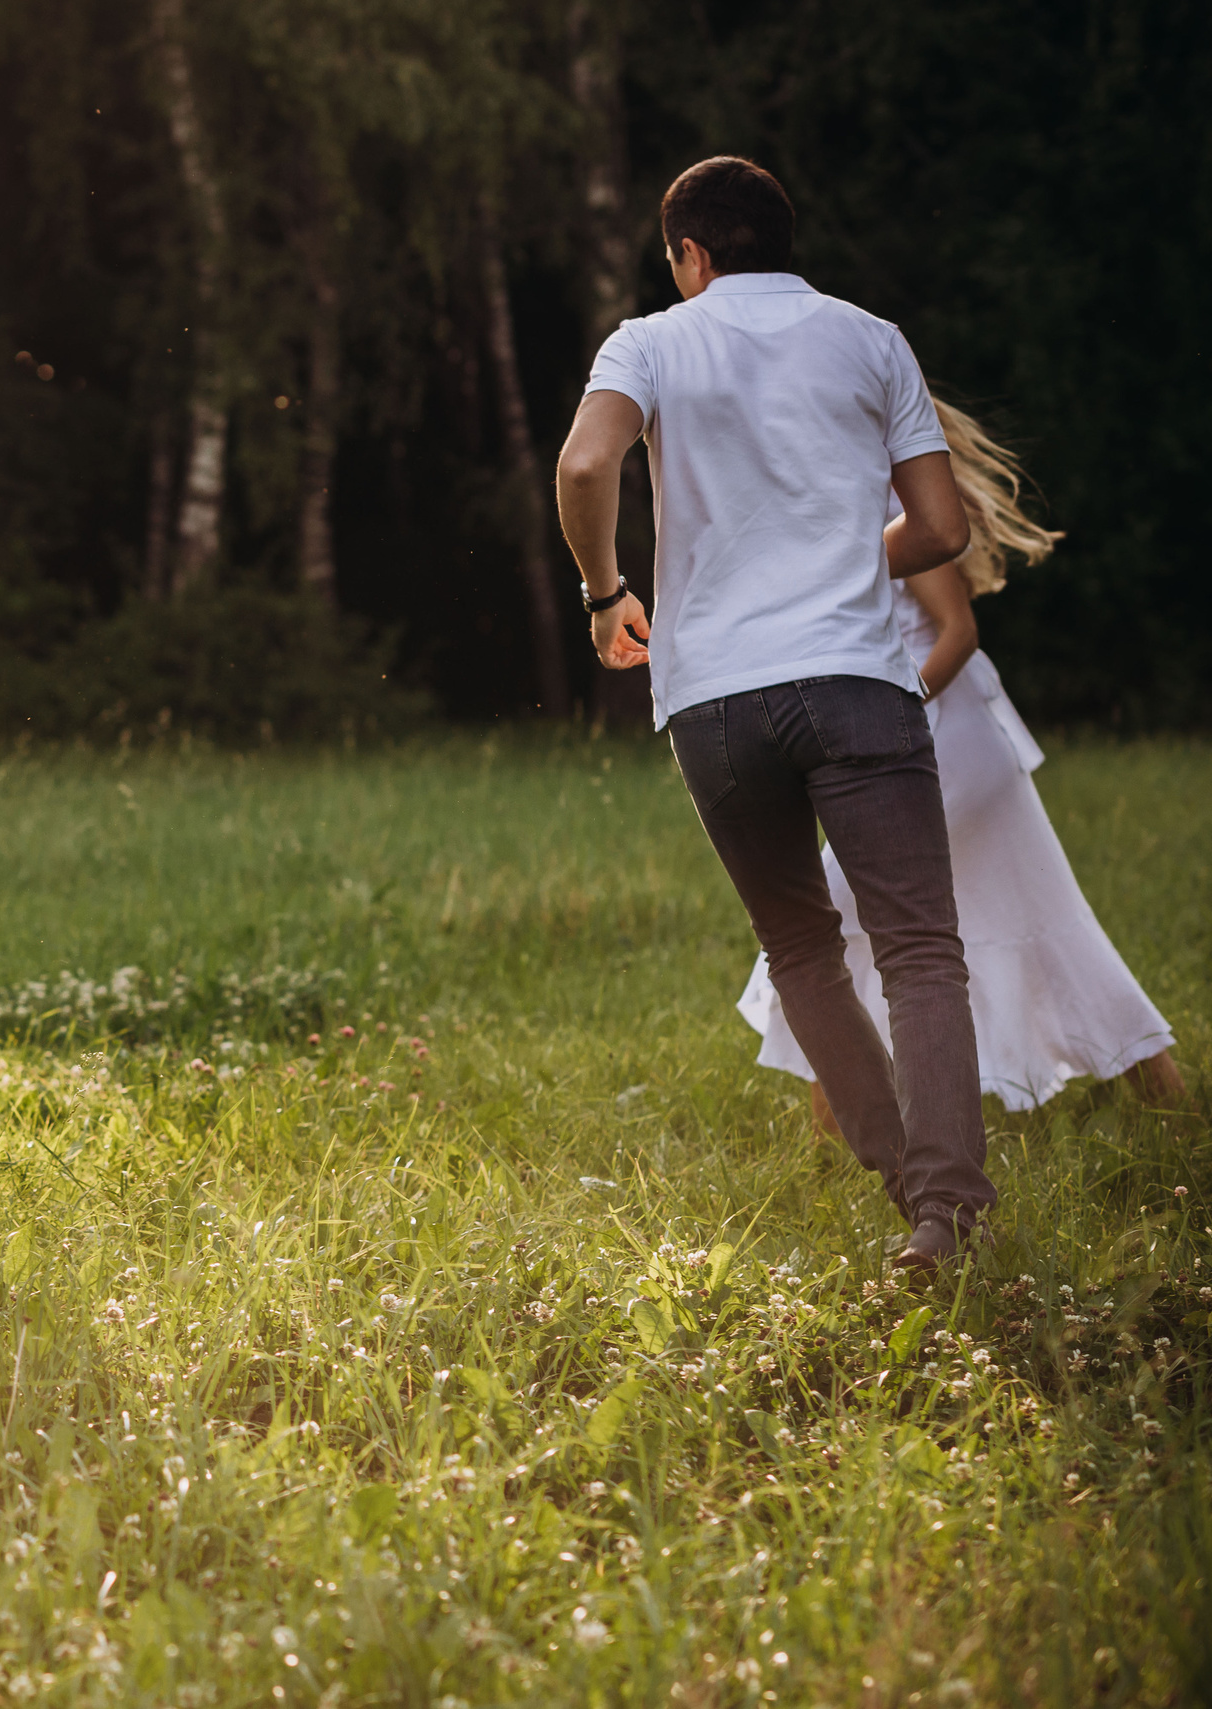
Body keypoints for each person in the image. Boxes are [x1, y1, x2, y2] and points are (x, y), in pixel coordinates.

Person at [556, 156, 992, 1270]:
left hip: (714, 699)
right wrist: (837, 558)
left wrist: (605, 595)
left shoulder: (648, 341)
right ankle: (945, 1211)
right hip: (856, 682)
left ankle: (909, 1189)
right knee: (919, 950)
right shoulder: (872, 340)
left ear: (690, 255)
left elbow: (585, 463)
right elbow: (942, 529)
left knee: (801, 948)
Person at [737, 400, 1184, 1119]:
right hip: (926, 741)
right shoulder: (834, 505)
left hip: (947, 739)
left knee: (826, 924)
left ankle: (843, 1141)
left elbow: (957, 632)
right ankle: (1173, 1108)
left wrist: (887, 712)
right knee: (1041, 925)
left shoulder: (893, 500)